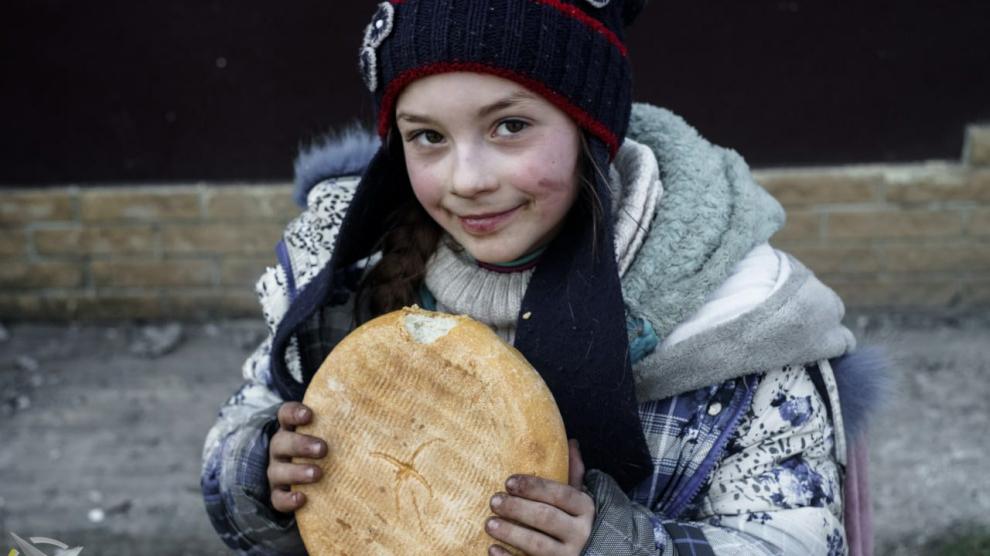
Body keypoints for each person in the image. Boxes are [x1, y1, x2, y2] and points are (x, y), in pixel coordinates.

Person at [201, 1, 886, 554]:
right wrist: (262, 472)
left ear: (590, 129)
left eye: (510, 125)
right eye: (427, 137)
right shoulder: (344, 285)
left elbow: (795, 540)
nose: (467, 180)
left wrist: (607, 545)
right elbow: (237, 442)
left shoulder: (734, 320)